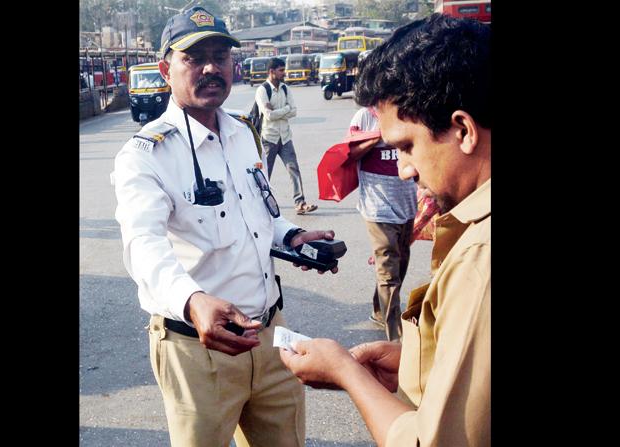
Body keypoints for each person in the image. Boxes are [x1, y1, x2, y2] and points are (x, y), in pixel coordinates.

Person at [111, 7, 338, 446]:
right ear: (166, 69)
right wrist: (193, 301)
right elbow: (143, 244)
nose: (211, 67)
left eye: (220, 55)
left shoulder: (241, 131)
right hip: (198, 350)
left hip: (271, 336)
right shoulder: (145, 154)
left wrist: (292, 236)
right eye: (194, 58)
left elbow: (259, 215)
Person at [279, 13, 490, 447]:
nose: (407, 169)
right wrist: (417, 357)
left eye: (408, 147)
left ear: (464, 129)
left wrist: (347, 374)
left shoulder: (480, 259)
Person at [347, 106, 418, 341]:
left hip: (407, 203)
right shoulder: (364, 117)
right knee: (388, 273)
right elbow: (351, 152)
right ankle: (396, 338)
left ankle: (379, 310)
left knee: (401, 263)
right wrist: (377, 135)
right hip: (377, 207)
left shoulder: (407, 110)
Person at [255, 57, 318, 215]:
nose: (284, 73)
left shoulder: (285, 88)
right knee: (265, 174)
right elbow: (268, 115)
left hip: (285, 137)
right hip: (269, 138)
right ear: (272, 71)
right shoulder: (263, 90)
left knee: (293, 169)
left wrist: (279, 111)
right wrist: (285, 110)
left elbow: (294, 110)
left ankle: (300, 203)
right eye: (281, 70)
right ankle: (260, 204)